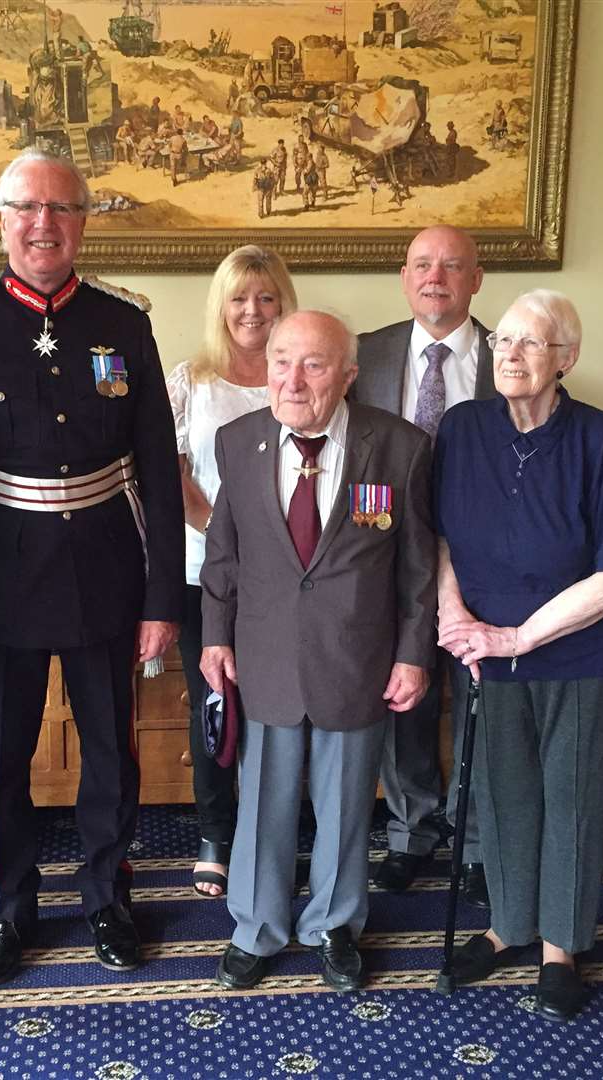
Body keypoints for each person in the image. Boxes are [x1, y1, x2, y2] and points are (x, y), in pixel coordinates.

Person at [0, 148, 184, 988]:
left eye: (62, 209)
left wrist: (162, 596)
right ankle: (10, 906)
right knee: (4, 760)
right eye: (26, 208)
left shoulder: (125, 322)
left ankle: (108, 896)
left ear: (83, 220)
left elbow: (157, 473)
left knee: (110, 753)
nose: (44, 225)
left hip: (105, 568)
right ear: (0, 217)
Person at [432, 290, 603, 1020]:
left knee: (573, 798)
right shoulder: (462, 429)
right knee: (503, 791)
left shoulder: (599, 437)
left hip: (578, 657)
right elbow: (441, 539)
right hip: (485, 654)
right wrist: (455, 615)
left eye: (532, 344)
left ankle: (561, 946)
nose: (513, 356)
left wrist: (520, 637)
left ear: (567, 358)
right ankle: (507, 925)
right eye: (504, 344)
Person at [202, 311, 436, 993]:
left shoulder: (400, 448)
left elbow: (418, 569)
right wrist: (215, 634)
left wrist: (413, 653)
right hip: (265, 653)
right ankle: (257, 927)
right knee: (262, 800)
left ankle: (333, 924)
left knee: (343, 804)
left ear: (349, 374)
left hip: (358, 657)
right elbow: (225, 554)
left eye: (313, 364)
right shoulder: (236, 441)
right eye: (281, 361)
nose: (293, 380)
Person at [349, 225, 495, 904]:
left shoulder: (512, 353)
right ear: (405, 277)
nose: (435, 276)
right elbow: (354, 456)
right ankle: (412, 833)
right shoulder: (364, 353)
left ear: (476, 279)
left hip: (485, 565)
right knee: (402, 700)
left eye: (451, 265)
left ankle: (473, 839)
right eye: (421, 265)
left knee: (479, 705)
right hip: (390, 560)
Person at [165, 247, 299, 899]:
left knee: (280, 705)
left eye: (266, 297)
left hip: (292, 580)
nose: (252, 310)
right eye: (239, 298)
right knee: (215, 703)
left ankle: (274, 831)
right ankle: (216, 834)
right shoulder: (192, 379)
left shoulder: (302, 374)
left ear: (284, 303)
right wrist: (227, 536)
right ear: (221, 305)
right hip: (207, 575)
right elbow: (174, 473)